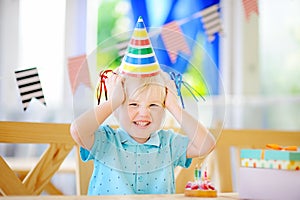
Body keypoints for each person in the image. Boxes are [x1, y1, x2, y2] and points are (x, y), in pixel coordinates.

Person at [70, 17, 216, 195]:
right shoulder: (106, 141)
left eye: (154, 105)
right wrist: (112, 102)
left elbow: (206, 145)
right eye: (133, 104)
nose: (143, 113)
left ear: (164, 108)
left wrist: (174, 107)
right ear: (118, 107)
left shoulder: (168, 144)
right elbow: (77, 131)